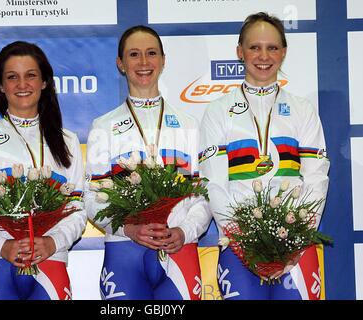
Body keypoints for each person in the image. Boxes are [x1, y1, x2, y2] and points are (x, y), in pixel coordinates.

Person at [199, 12, 330, 300]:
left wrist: (295, 241)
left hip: (296, 249)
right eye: (254, 47)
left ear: (283, 53)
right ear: (239, 52)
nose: (263, 55)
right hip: (238, 249)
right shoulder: (218, 111)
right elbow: (214, 183)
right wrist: (243, 241)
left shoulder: (302, 109)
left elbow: (316, 179)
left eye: (272, 47)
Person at [0, 41, 87, 300]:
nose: (22, 85)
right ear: (0, 85)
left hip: (50, 261)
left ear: (44, 82)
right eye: (12, 77)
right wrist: (1, 245)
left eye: (31, 75)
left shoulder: (69, 141)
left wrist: (53, 242)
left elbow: (78, 210)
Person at [84, 25, 211, 300]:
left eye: (151, 53)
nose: (143, 62)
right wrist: (127, 228)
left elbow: (204, 196)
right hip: (124, 251)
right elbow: (92, 198)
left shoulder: (189, 125)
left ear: (163, 60)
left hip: (179, 247)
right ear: (121, 63)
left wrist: (185, 231)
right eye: (134, 54)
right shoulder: (103, 126)